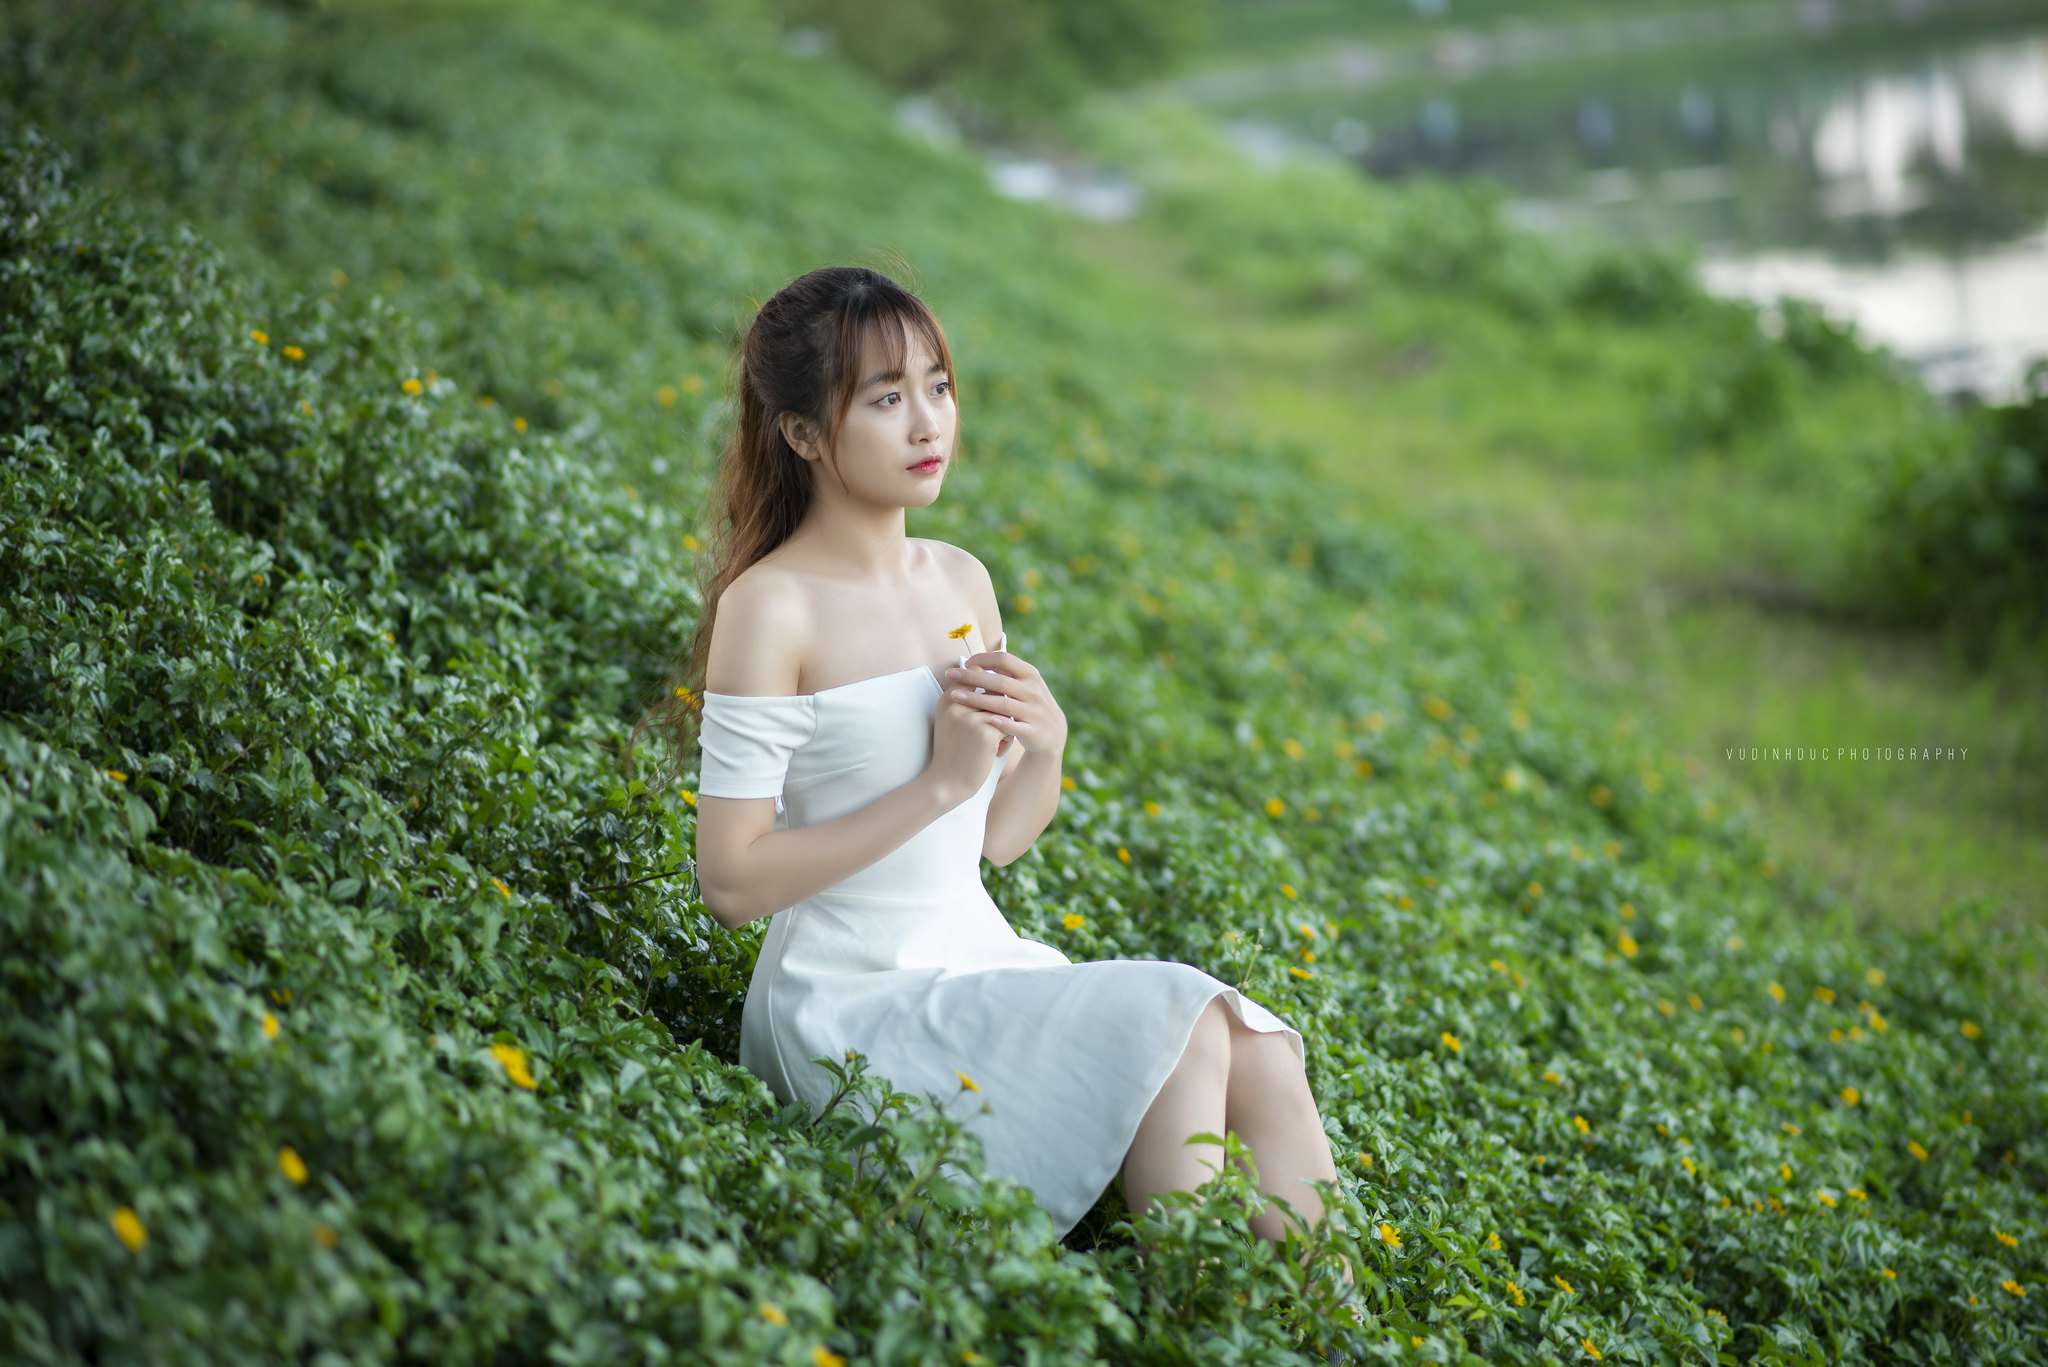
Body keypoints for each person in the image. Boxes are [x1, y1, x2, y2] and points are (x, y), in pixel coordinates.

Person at [647, 263, 1341, 1245]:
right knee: (1181, 1021)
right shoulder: (772, 607)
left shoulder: (960, 578)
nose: (928, 423)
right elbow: (728, 880)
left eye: (938, 385)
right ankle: (1198, 1322)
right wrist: (940, 781)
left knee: (1253, 1044)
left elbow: (993, 842)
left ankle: (1328, 1328)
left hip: (969, 954)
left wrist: (1041, 748)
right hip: (847, 1004)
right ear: (802, 434)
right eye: (886, 399)